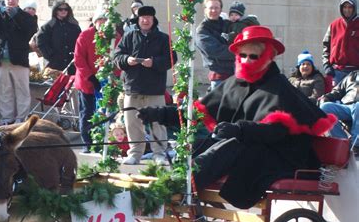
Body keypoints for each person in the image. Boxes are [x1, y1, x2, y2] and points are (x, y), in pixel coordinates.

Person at [138, 26, 336, 209]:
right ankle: (172, 185)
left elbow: (276, 132)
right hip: (249, 146)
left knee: (233, 144)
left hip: (280, 156)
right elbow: (198, 112)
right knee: (199, 144)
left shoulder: (279, 88)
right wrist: (160, 113)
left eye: (253, 56)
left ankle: (177, 188)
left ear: (268, 57)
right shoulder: (234, 83)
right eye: (242, 55)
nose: (247, 60)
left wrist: (240, 129)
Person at [113, 5, 177, 166]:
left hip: (154, 90)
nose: (146, 20)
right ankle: (135, 154)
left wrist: (154, 63)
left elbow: (171, 59)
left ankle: (159, 154)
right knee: (132, 124)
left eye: (149, 17)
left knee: (158, 123)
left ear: (153, 19)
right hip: (132, 88)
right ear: (138, 19)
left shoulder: (163, 38)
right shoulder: (128, 36)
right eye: (143, 17)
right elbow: (117, 56)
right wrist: (127, 60)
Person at [0, 0, 38, 125]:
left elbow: (31, 29)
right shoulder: (0, 14)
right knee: (3, 91)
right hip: (2, 59)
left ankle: (21, 117)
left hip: (19, 60)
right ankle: (7, 117)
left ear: (18, 0)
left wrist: (17, 15)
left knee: (22, 90)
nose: (11, 1)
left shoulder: (24, 15)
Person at [74, 11, 108, 153]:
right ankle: (87, 142)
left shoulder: (113, 36)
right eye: (100, 20)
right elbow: (79, 59)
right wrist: (91, 77)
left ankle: (104, 141)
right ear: (95, 21)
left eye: (105, 20)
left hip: (106, 82)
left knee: (106, 112)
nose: (102, 23)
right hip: (88, 82)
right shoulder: (85, 35)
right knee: (87, 112)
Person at [195, 0, 235, 90]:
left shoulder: (228, 24)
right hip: (219, 77)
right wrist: (239, 51)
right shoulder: (202, 30)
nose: (214, 11)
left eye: (216, 8)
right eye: (211, 8)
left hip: (236, 74)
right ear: (205, 10)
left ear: (221, 10)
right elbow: (216, 51)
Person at [322, 0, 359, 86]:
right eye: (345, 7)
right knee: (335, 99)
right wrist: (327, 66)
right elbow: (326, 47)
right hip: (337, 72)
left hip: (355, 72)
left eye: (350, 7)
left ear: (354, 8)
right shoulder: (334, 25)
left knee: (352, 99)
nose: (347, 10)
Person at [36, 0, 81, 76]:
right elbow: (41, 41)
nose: (63, 11)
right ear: (56, 10)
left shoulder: (74, 26)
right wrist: (50, 55)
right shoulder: (49, 26)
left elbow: (80, 42)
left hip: (71, 64)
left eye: (66, 9)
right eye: (60, 9)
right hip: (54, 65)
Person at [319, 70, 358, 151]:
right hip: (347, 106)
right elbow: (338, 90)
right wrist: (326, 97)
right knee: (325, 107)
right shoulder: (353, 75)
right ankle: (342, 142)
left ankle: (356, 144)